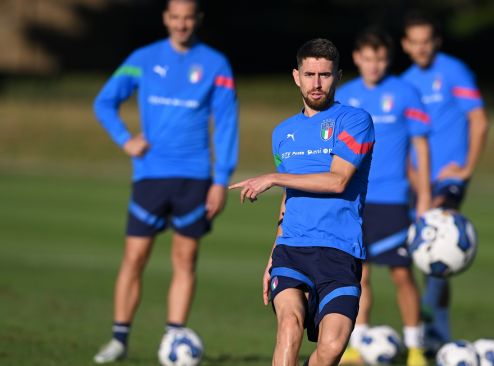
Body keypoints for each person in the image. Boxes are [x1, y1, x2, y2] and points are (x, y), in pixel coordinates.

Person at [92, 0, 238, 363]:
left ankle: (174, 338)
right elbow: (104, 102)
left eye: (188, 18)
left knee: (185, 259)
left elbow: (226, 125)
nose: (182, 24)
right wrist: (125, 139)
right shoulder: (143, 58)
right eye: (175, 17)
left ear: (198, 20)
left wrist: (221, 180)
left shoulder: (216, 64)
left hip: (195, 178)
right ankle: (119, 339)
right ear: (166, 19)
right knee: (135, 257)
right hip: (150, 176)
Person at [229, 38, 374, 366]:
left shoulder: (355, 121)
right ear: (297, 76)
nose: (317, 83)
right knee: (289, 326)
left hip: (340, 252)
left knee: (333, 346)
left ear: (338, 76)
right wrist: (271, 255)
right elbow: (289, 199)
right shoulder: (283, 133)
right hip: (292, 250)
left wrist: (273, 177)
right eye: (310, 74)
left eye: (325, 74)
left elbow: (338, 181)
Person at [336, 28, 431, 366]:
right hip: (353, 199)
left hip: (393, 199)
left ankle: (416, 346)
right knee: (358, 275)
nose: (373, 65)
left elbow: (421, 146)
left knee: (402, 273)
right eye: (367, 58)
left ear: (387, 60)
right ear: (357, 59)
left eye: (380, 59)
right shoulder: (344, 96)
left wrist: (424, 197)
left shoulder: (406, 93)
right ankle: (357, 344)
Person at [400, 11, 489, 349]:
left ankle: (435, 328)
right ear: (407, 45)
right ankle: (436, 329)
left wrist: (466, 169)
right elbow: (404, 137)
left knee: (440, 241)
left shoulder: (454, 71)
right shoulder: (405, 82)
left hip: (448, 179)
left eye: (427, 41)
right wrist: (412, 176)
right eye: (415, 42)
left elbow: (479, 121)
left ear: (436, 41)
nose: (421, 48)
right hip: (415, 178)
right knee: (422, 252)